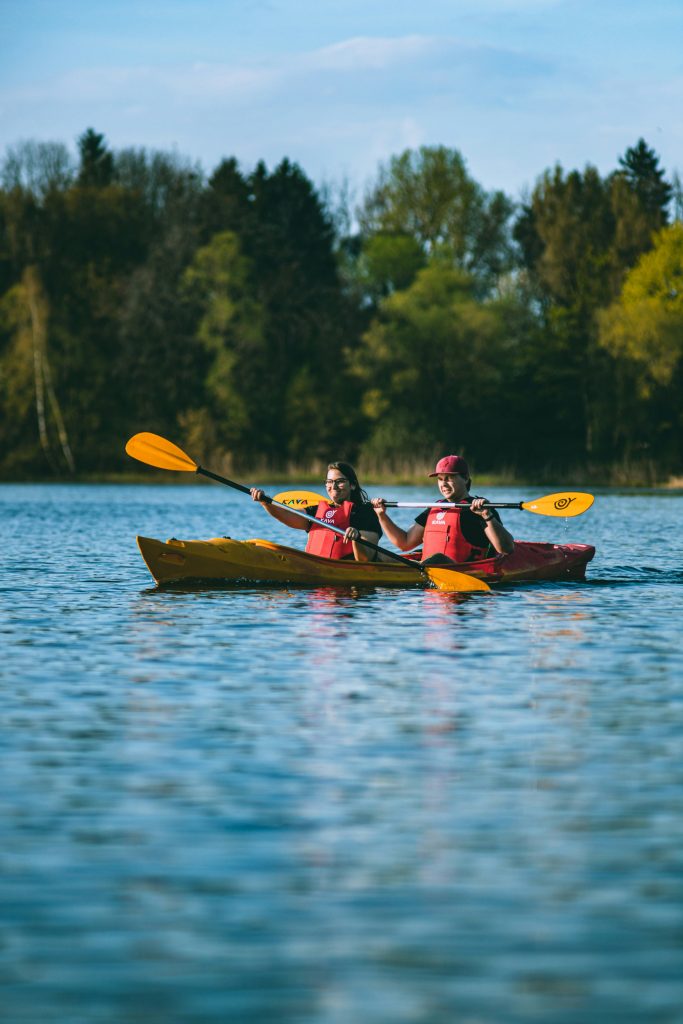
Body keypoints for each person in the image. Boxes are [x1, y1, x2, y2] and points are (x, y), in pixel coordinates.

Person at [372, 455, 514, 565]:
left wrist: (487, 515)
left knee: (438, 558)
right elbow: (405, 542)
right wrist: (382, 516)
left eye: (449, 478)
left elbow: (506, 549)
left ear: (465, 479)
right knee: (377, 554)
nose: (443, 484)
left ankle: (416, 569)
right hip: (426, 570)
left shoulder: (480, 508)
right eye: (440, 479)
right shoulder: (435, 508)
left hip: (458, 571)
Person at [250, 461, 382, 562]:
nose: (333, 486)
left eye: (340, 481)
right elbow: (286, 515)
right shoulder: (316, 509)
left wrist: (357, 537)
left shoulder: (365, 513)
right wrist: (265, 502)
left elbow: (366, 559)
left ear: (352, 485)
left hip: (346, 576)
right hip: (313, 568)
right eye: (329, 482)